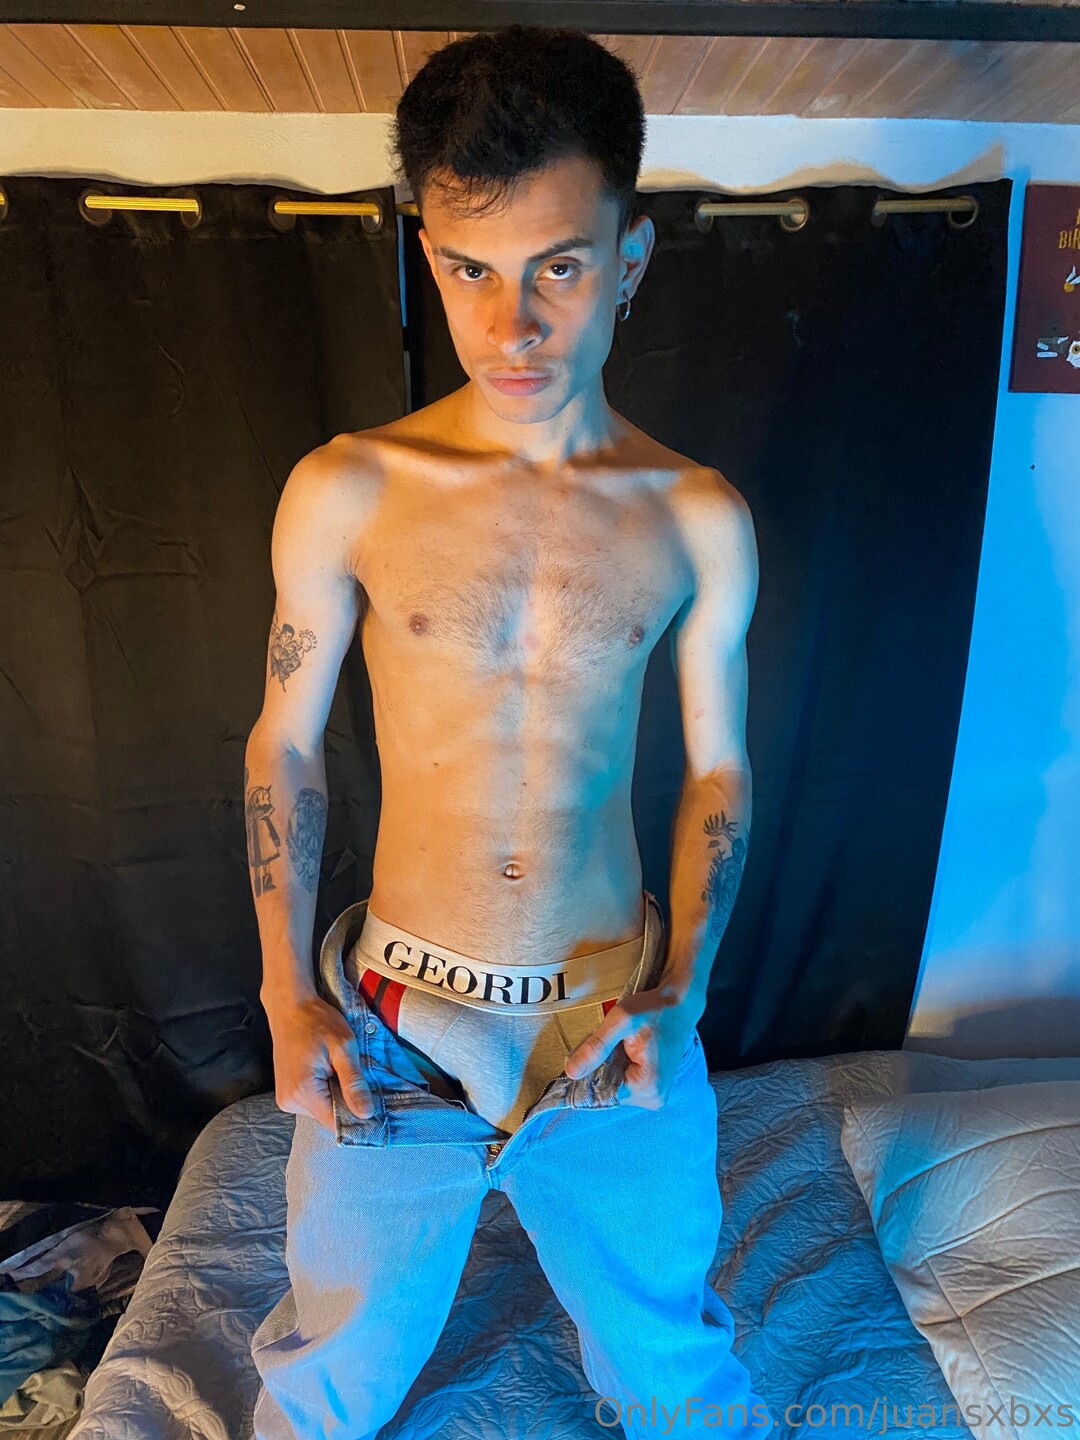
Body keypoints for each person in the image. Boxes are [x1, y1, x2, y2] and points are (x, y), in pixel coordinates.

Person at [245, 23, 768, 1440]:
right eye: (471, 270)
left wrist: (687, 989)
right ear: (429, 255)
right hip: (393, 1031)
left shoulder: (694, 515)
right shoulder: (349, 488)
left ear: (631, 259)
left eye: (559, 267)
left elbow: (718, 767)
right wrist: (288, 995)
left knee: (685, 1390)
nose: (513, 325)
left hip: (613, 1024)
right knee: (320, 1395)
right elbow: (284, 742)